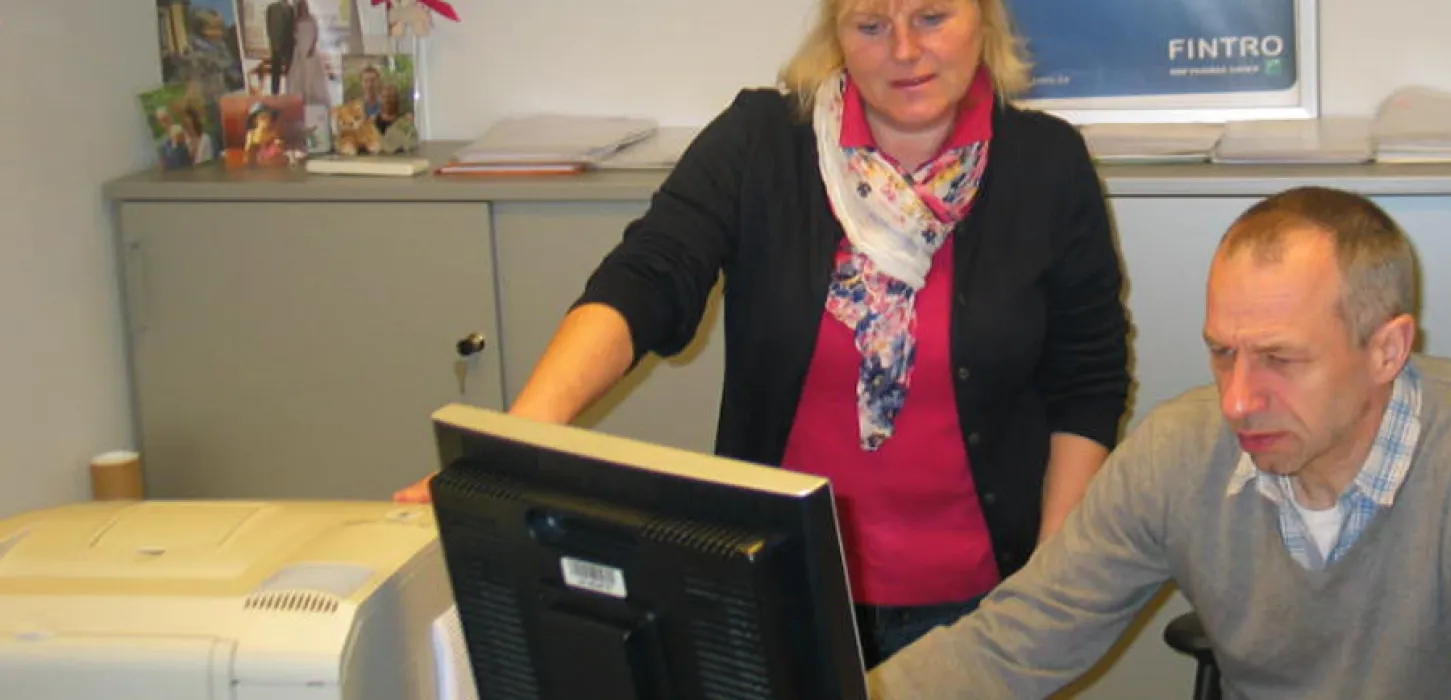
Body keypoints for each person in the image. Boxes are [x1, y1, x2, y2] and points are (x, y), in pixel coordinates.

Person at [393, 0, 1132, 666]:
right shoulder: (763, 142)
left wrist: (1047, 579)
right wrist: (513, 444)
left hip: (980, 604)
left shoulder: (1047, 163)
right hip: (779, 586)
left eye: (932, 17)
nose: (905, 49)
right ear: (837, 32)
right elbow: (647, 278)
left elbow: (1088, 381)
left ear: (983, 20)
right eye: (872, 25)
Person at [867, 187, 1451, 698]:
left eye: (1280, 359)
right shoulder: (1179, 453)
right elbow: (1016, 641)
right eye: (1222, 353)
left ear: (1386, 350)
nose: (1238, 401)